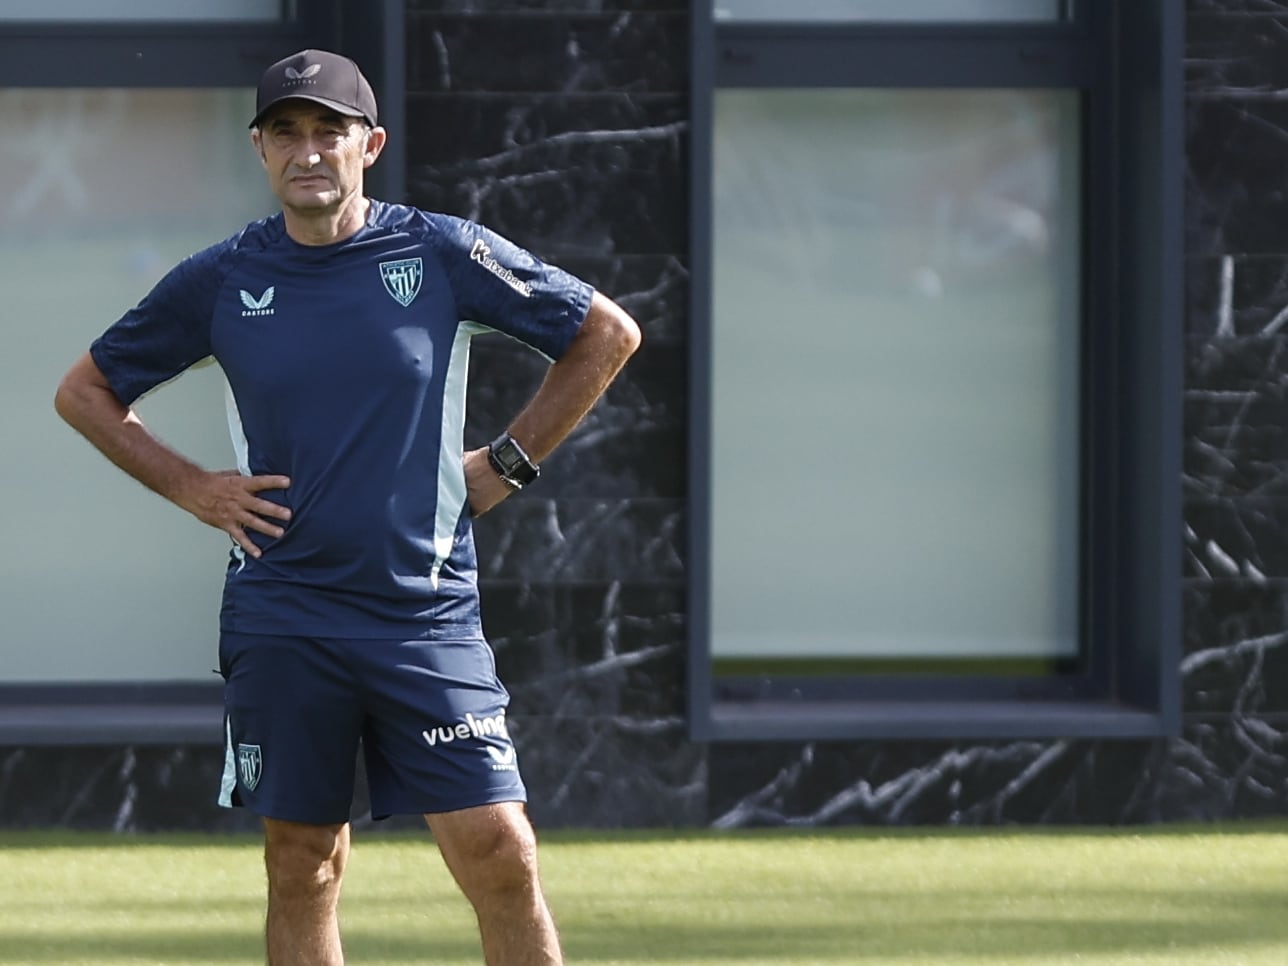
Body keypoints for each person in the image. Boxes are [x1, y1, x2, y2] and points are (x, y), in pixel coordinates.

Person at [54, 48, 640, 966]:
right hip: (284, 613)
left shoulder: (442, 253)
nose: (309, 151)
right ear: (259, 149)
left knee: (500, 851)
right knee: (304, 862)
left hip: (424, 613)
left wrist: (509, 465)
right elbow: (85, 391)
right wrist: (194, 488)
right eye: (287, 132)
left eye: (330, 131)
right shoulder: (222, 279)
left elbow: (606, 333)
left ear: (371, 143)